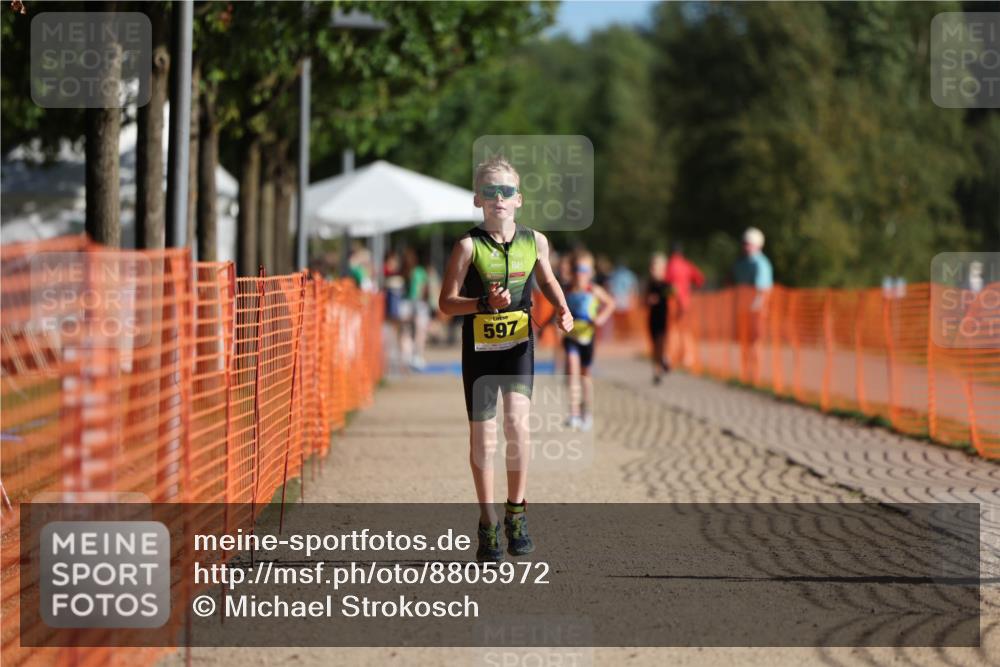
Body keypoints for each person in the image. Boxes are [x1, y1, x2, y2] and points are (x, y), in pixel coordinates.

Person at [439, 155, 572, 562]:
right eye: (491, 192)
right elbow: (445, 303)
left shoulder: (536, 241)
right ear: (478, 199)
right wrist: (481, 303)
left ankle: (517, 510)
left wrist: (563, 308)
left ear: (519, 199)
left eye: (507, 191)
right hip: (478, 348)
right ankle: (488, 520)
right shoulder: (467, 246)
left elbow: (546, 278)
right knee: (484, 437)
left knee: (516, 422)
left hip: (517, 343)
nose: (499, 198)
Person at [562, 250, 616, 431]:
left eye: (584, 269)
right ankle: (574, 413)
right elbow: (558, 309)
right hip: (571, 337)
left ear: (591, 272)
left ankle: (587, 413)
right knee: (572, 370)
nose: (580, 274)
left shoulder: (593, 290)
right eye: (577, 269)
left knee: (585, 377)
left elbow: (610, 304)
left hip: (588, 337)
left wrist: (600, 318)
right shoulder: (566, 290)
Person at [732, 227, 773, 384]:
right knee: (745, 342)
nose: (745, 247)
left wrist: (755, 310)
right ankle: (746, 372)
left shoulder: (761, 264)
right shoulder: (741, 263)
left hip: (757, 311)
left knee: (755, 342)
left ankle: (755, 375)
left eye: (748, 244)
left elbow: (762, 291)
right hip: (744, 310)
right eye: (744, 243)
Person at [663, 242, 705, 368]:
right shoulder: (686, 265)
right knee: (685, 330)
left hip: (672, 303)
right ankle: (688, 357)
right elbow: (700, 279)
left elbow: (665, 283)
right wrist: (690, 290)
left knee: (672, 329)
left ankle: (670, 356)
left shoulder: (669, 266)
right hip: (685, 303)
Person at [401, 246, 431, 370]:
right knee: (420, 332)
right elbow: (424, 289)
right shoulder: (420, 271)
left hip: (406, 303)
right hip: (418, 303)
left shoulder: (404, 271)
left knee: (406, 332)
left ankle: (407, 358)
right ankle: (417, 357)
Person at [645, 252, 671, 384]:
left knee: (660, 344)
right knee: (655, 346)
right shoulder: (649, 284)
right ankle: (659, 366)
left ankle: (659, 369)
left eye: (656, 268)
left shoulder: (666, 284)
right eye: (652, 268)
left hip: (663, 319)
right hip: (652, 319)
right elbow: (644, 301)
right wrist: (648, 300)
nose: (653, 271)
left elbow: (671, 295)